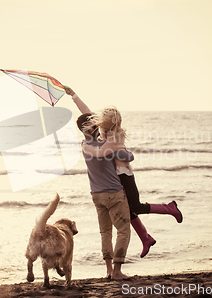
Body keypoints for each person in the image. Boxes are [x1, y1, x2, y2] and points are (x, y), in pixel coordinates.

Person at [67, 89, 183, 259]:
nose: (96, 122)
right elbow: (87, 114)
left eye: (100, 121)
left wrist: (88, 147)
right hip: (117, 176)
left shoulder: (115, 136)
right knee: (128, 211)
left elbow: (117, 154)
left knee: (135, 207)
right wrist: (74, 96)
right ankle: (146, 238)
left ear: (109, 122)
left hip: (125, 175)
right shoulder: (106, 133)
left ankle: (169, 209)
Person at [67, 88, 132, 280]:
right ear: (94, 127)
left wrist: (74, 96)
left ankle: (109, 271)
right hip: (113, 192)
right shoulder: (104, 145)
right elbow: (124, 155)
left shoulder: (85, 145)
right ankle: (118, 272)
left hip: (96, 194)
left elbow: (87, 116)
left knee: (105, 233)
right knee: (123, 230)